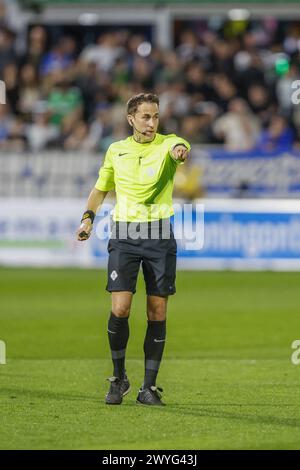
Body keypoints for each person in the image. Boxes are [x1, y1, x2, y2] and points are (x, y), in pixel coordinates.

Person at [76, 93, 190, 407]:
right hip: (124, 234)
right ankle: (119, 378)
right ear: (131, 119)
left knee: (157, 311)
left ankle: (148, 388)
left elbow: (180, 148)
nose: (152, 123)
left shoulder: (168, 143)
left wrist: (180, 152)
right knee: (120, 308)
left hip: (158, 235)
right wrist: (87, 220)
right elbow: (100, 190)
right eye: (145, 117)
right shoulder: (116, 150)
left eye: (155, 116)